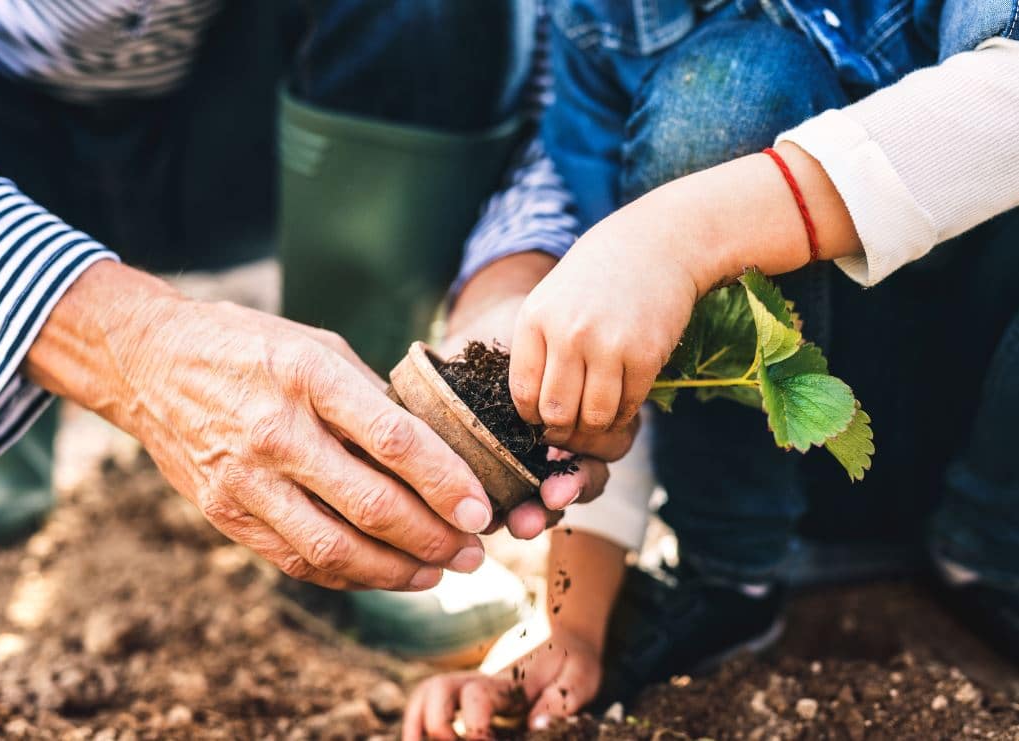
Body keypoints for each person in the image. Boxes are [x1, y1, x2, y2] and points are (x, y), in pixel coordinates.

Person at [405, 0, 1019, 735]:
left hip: (981, 425)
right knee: (727, 85)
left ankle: (995, 550)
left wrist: (681, 234)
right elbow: (603, 326)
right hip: (763, 501)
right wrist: (570, 625)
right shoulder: (600, 19)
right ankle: (731, 571)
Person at [0, 0, 612, 593]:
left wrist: (510, 276)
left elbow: (562, 59)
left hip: (248, 133)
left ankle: (365, 469)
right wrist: (126, 342)